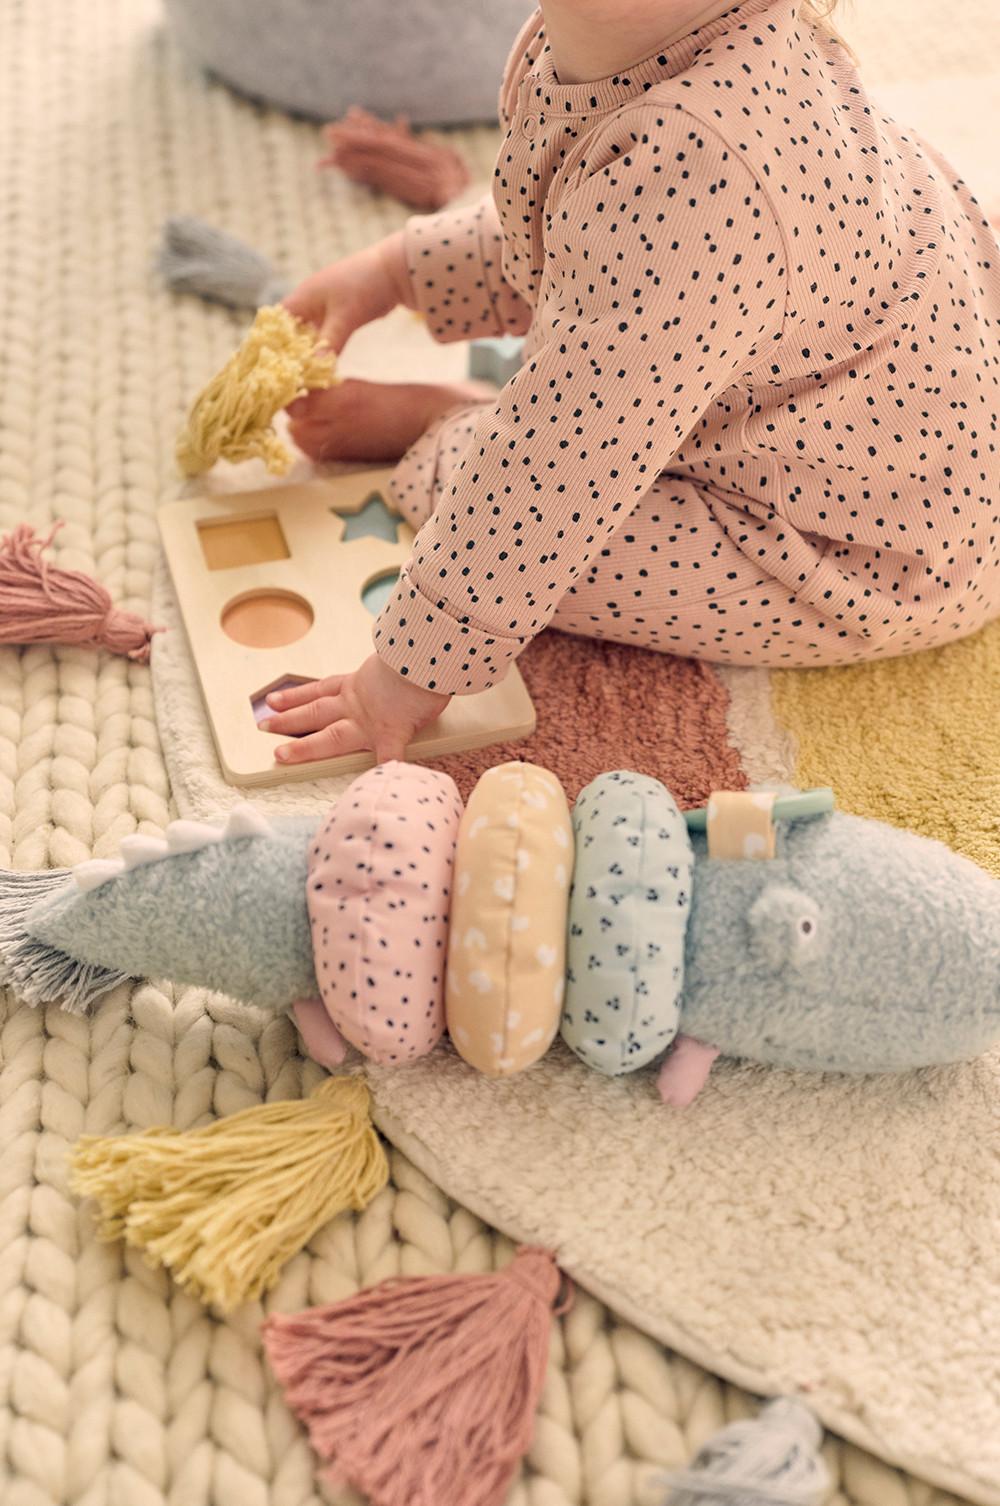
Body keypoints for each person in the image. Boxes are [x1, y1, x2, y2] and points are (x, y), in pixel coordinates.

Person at [260, 0, 1000, 766]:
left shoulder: (703, 167)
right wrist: (402, 271)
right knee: (569, 422)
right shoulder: (616, 45)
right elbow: (578, 229)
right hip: (900, 421)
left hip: (872, 555)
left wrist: (404, 677)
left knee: (494, 521)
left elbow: (553, 474)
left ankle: (449, 427)